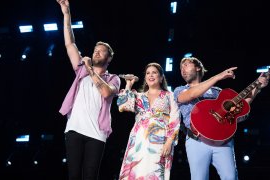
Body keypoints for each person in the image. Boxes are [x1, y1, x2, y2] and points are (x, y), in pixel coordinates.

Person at [173, 57, 270, 180]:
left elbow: (239, 109)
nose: (182, 69)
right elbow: (192, 94)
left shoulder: (217, 92)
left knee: (231, 177)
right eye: (181, 67)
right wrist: (218, 76)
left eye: (186, 65)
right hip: (196, 140)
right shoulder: (180, 90)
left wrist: (258, 87)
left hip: (223, 141)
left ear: (198, 67)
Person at [57, 0, 121, 179]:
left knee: (91, 175)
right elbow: (70, 44)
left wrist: (91, 69)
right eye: (95, 50)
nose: (96, 53)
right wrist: (67, 14)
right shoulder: (82, 70)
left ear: (109, 59)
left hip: (97, 133)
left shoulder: (113, 78)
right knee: (74, 175)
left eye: (101, 51)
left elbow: (106, 92)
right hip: (75, 129)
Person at [117, 62, 180, 180]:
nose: (151, 75)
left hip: (160, 140)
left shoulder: (169, 96)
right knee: (136, 171)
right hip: (139, 139)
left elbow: (175, 119)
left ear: (161, 77)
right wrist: (128, 85)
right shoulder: (139, 96)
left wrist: (169, 141)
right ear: (145, 78)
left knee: (154, 172)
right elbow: (123, 106)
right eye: (148, 73)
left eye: (154, 72)